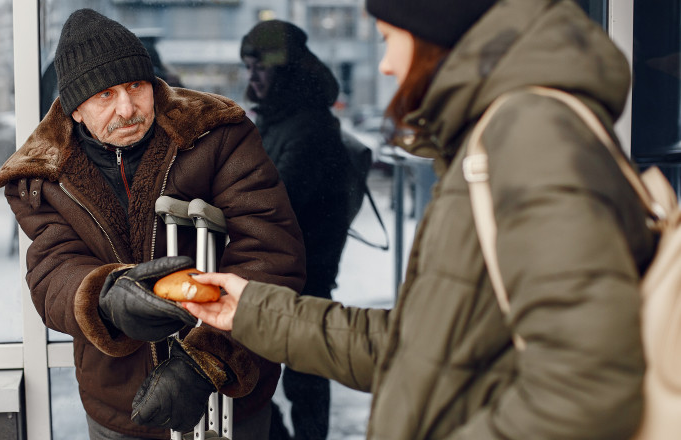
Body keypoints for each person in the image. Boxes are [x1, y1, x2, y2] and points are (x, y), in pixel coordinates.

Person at [184, 0, 657, 438]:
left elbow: (584, 387)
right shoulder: (493, 139)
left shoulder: (529, 136)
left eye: (390, 37)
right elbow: (418, 344)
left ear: (436, 34)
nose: (386, 64)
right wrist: (250, 310)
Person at [0, 8, 305, 440]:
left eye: (136, 86)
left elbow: (271, 253)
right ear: (75, 109)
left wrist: (208, 361)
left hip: (230, 396)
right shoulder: (43, 175)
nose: (128, 108)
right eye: (105, 95)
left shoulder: (218, 135)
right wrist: (104, 297)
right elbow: (52, 270)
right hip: (120, 404)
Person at [239, 19, 354, 440]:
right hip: (290, 267)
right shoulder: (278, 118)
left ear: (285, 70)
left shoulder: (308, 126)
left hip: (306, 270)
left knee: (303, 379)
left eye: (261, 67)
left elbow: (275, 202)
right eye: (248, 66)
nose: (252, 76)